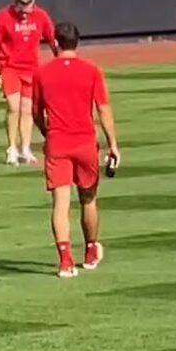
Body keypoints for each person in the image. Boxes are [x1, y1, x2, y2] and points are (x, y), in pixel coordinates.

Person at [32, 21, 120, 278]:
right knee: (88, 198)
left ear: (55, 43)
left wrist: (47, 132)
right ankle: (91, 250)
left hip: (58, 142)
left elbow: (37, 112)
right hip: (85, 143)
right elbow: (103, 109)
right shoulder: (92, 71)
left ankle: (65, 260)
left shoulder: (42, 73)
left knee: (60, 204)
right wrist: (113, 143)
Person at [0, 0, 59, 166]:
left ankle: (25, 148)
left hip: (32, 68)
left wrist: (61, 58)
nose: (25, 12)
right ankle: (12, 148)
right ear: (16, 3)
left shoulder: (41, 16)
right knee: (13, 106)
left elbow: (52, 38)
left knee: (28, 109)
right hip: (10, 67)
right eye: (21, 7)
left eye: (28, 7)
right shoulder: (3, 17)